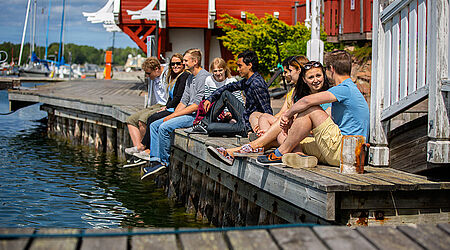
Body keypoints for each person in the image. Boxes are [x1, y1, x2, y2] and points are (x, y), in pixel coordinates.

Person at [208, 57, 332, 165]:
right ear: (304, 79)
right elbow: (283, 114)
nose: (315, 80)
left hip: (308, 138)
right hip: (292, 135)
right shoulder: (298, 94)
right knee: (263, 117)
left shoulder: (328, 95)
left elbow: (324, 124)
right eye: (311, 77)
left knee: (271, 123)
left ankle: (251, 147)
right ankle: (259, 144)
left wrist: (287, 123)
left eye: (318, 76)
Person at [257, 50, 369, 167]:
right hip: (345, 153)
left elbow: (307, 101)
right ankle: (300, 156)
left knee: (311, 108)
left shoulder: (344, 89)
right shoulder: (351, 88)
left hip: (344, 150)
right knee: (289, 139)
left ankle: (280, 153)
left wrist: (287, 115)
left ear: (331, 69)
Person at [141, 48, 210, 180]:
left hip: (196, 116)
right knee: (155, 125)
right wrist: (171, 114)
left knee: (164, 127)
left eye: (185, 60)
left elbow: (196, 105)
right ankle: (155, 160)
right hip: (187, 112)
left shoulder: (204, 77)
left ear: (195, 61)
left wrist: (172, 116)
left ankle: (164, 162)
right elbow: (183, 101)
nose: (183, 63)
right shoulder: (190, 77)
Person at [193, 50, 272, 137]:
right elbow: (229, 87)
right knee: (225, 93)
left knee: (211, 128)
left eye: (240, 66)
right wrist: (210, 98)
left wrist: (265, 132)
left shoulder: (257, 84)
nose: (238, 69)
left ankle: (206, 125)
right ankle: (203, 124)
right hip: (245, 116)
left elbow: (267, 111)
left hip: (246, 125)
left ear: (249, 65)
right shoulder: (247, 81)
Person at [133, 53, 190, 161]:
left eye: (178, 63)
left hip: (178, 109)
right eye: (173, 64)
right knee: (152, 119)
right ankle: (149, 151)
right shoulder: (175, 77)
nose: (175, 66)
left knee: (153, 119)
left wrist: (168, 107)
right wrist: (166, 106)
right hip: (172, 107)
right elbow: (171, 96)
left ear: (183, 64)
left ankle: (149, 150)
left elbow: (179, 97)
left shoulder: (184, 76)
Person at [184, 57, 244, 134]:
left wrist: (230, 113)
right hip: (215, 114)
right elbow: (208, 102)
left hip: (230, 114)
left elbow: (239, 102)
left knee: (225, 95)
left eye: (220, 70)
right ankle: (205, 125)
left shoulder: (231, 81)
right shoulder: (209, 80)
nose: (218, 73)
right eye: (215, 71)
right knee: (210, 127)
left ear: (225, 69)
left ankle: (204, 124)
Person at [124, 57, 167, 156]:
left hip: (165, 105)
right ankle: (138, 149)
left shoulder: (167, 75)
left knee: (143, 119)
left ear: (156, 69)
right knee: (130, 120)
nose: (147, 76)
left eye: (148, 73)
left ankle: (146, 149)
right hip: (157, 104)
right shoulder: (153, 77)